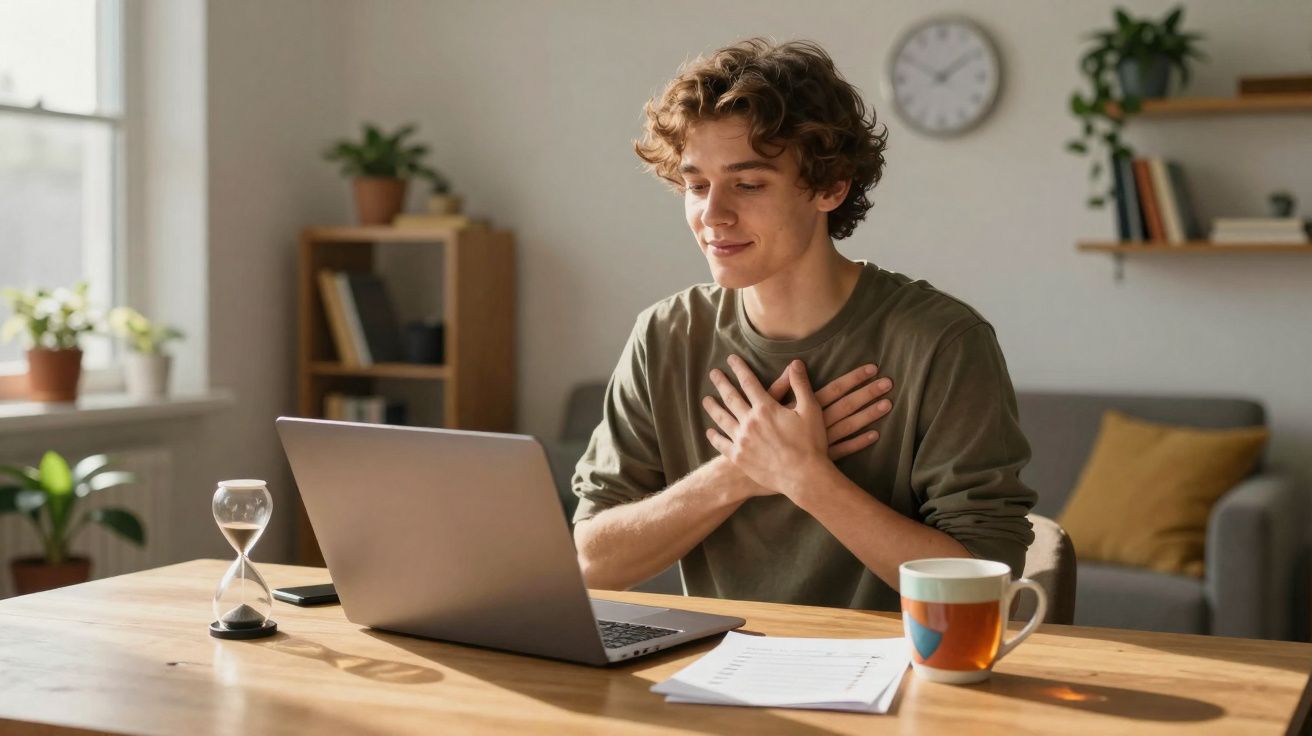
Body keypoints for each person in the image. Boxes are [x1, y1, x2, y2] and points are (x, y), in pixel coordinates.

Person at [571, 38, 1035, 612]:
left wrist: (806, 479)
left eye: (748, 183)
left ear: (830, 187)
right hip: (719, 674)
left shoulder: (942, 341)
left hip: (901, 682)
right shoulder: (666, 335)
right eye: (696, 185)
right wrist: (737, 473)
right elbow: (592, 561)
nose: (712, 214)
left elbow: (983, 582)